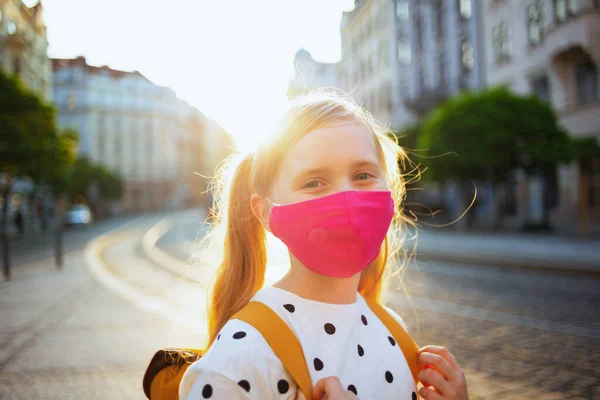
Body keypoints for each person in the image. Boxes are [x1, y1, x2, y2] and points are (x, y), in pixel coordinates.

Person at [179, 91, 469, 400]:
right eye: (314, 182)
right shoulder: (238, 359)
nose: (345, 199)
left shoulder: (393, 331)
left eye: (363, 175)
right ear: (266, 212)